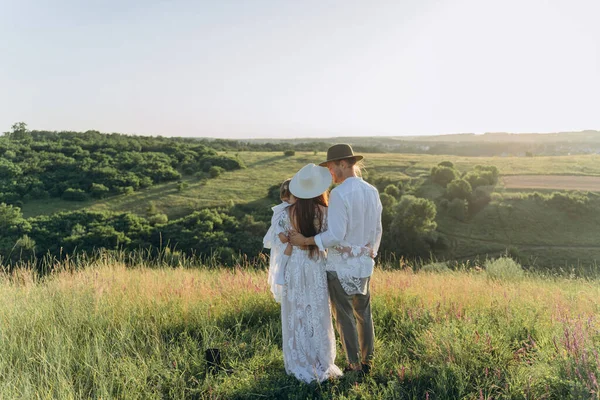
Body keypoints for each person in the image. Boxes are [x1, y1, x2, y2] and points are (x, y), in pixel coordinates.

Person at [290, 144, 383, 375]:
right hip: (364, 264)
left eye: (331, 167)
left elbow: (335, 236)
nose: (330, 173)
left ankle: (353, 365)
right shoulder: (372, 191)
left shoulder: (340, 193)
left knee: (344, 317)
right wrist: (369, 253)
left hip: (340, 265)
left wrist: (306, 240)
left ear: (343, 164)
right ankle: (367, 362)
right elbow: (378, 230)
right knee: (364, 314)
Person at [279, 163, 342, 383]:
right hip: (315, 263)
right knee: (317, 309)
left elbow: (283, 239)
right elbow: (329, 239)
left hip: (295, 264)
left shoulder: (287, 212)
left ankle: (300, 357)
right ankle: (320, 358)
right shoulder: (324, 211)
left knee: (297, 309)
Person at [263, 179, 295, 303]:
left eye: (289, 197)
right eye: (284, 197)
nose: (286, 200)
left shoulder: (297, 209)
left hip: (293, 243)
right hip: (284, 244)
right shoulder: (280, 209)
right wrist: (280, 233)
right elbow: (275, 223)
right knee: (283, 265)